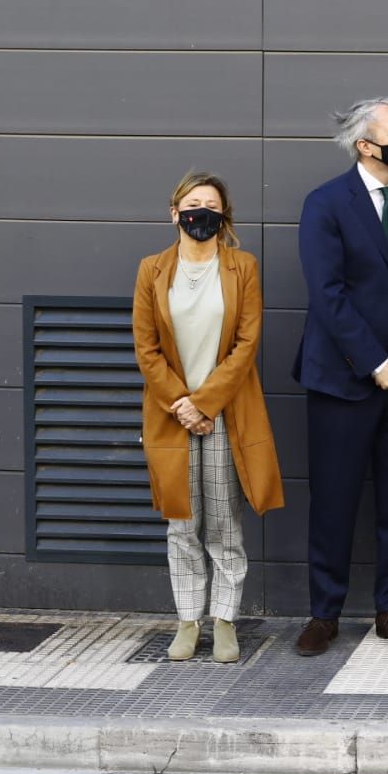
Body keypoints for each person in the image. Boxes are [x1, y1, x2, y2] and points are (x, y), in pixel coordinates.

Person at [291, 97, 388, 657]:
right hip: (343, 381)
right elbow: (327, 295)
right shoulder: (325, 203)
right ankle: (324, 614)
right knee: (333, 500)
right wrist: (376, 363)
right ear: (365, 145)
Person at [132, 172, 283, 664]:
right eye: (193, 203)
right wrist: (180, 401)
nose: (202, 212)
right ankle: (187, 620)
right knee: (181, 523)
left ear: (224, 215)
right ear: (174, 212)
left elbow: (247, 343)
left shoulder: (243, 267)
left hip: (224, 412)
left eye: (211, 205)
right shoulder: (151, 269)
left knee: (223, 524)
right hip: (170, 413)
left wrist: (205, 403)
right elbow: (146, 347)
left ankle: (224, 621)